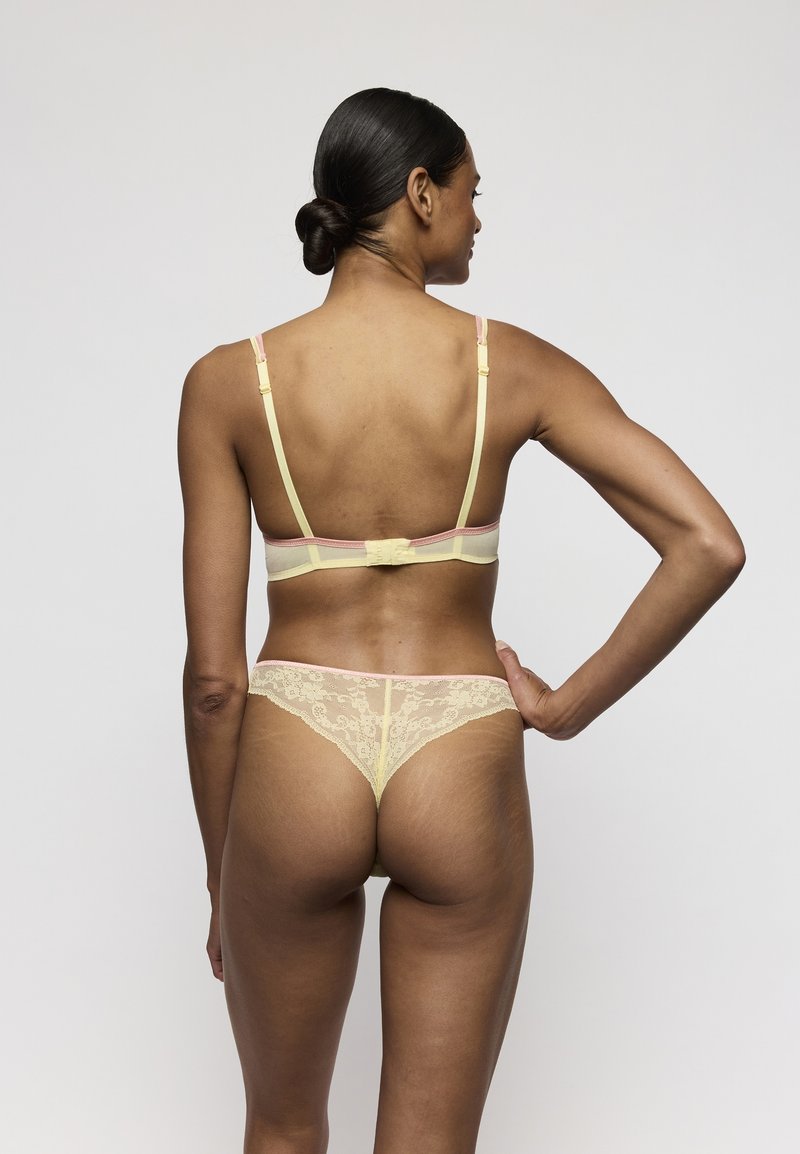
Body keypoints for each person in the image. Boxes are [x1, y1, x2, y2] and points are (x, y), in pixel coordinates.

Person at [177, 87, 745, 1154]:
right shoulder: (508, 364)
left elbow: (214, 685)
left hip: (297, 749)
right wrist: (563, 707)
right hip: (459, 748)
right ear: (420, 192)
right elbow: (707, 542)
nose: (481, 219)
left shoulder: (227, 383)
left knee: (282, 1128)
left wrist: (224, 873)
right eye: (473, 192)